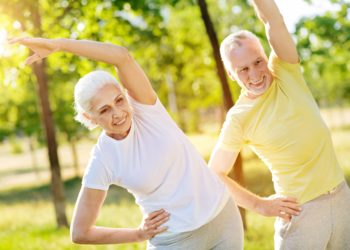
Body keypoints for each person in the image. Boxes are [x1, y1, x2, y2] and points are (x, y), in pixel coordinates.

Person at [10, 36, 244, 249]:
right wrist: (138, 233)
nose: (118, 113)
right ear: (89, 118)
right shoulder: (103, 159)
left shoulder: (147, 109)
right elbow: (80, 231)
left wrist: (59, 45)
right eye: (105, 110)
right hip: (175, 240)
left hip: (223, 219)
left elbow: (121, 56)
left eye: (119, 100)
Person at [208, 0, 350, 249]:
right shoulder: (240, 117)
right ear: (231, 74)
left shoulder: (285, 70)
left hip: (341, 197)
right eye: (242, 69)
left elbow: (273, 20)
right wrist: (260, 205)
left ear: (266, 56)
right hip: (301, 212)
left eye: (258, 62)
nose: (254, 74)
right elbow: (214, 174)